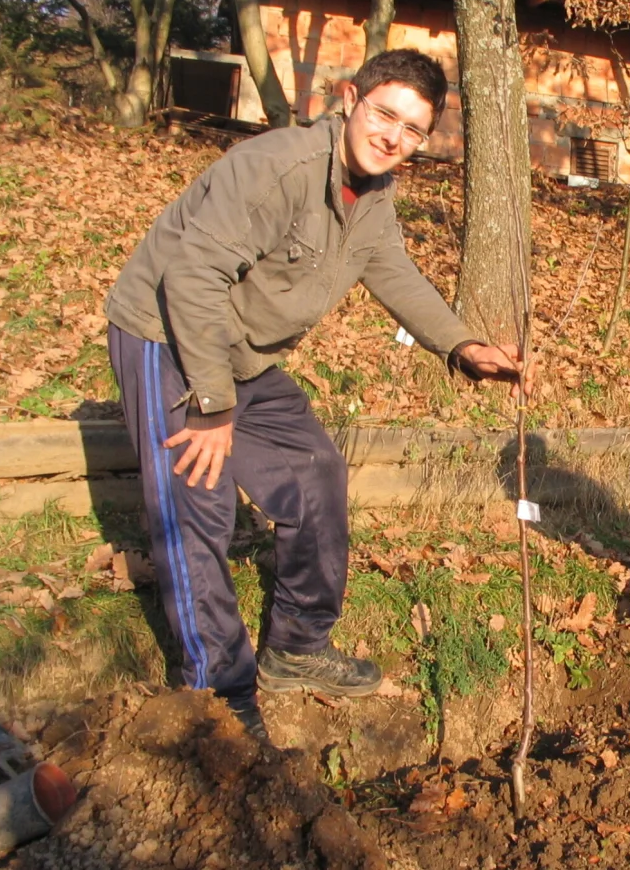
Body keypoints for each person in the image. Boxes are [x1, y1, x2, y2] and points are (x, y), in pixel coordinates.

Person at [105, 49, 527, 743]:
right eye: (385, 113)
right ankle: (217, 695)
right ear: (349, 98)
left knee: (314, 470)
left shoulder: (375, 197)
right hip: (165, 336)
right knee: (198, 504)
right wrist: (212, 406)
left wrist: (462, 346)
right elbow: (191, 278)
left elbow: (394, 273)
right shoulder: (282, 167)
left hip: (240, 351)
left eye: (412, 129)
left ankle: (299, 645)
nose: (393, 136)